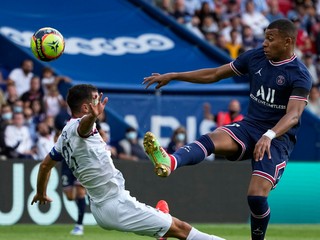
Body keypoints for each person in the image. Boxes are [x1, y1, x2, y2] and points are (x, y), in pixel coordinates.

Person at [142, 19, 312, 240]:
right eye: (264, 38)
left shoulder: (299, 74)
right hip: (250, 126)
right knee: (213, 138)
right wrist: (174, 76)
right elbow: (215, 74)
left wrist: (269, 135)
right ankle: (170, 161)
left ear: (288, 41)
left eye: (271, 39)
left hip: (277, 138)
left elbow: (294, 114)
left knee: (256, 198)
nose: (265, 43)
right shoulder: (255, 57)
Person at [31, 84, 224, 240]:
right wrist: (92, 116)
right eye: (95, 99)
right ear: (85, 107)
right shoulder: (79, 127)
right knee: (181, 229)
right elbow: (83, 127)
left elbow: (45, 165)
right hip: (115, 204)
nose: (99, 101)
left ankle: (160, 225)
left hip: (102, 206)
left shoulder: (63, 135)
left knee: (169, 227)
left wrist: (41, 192)